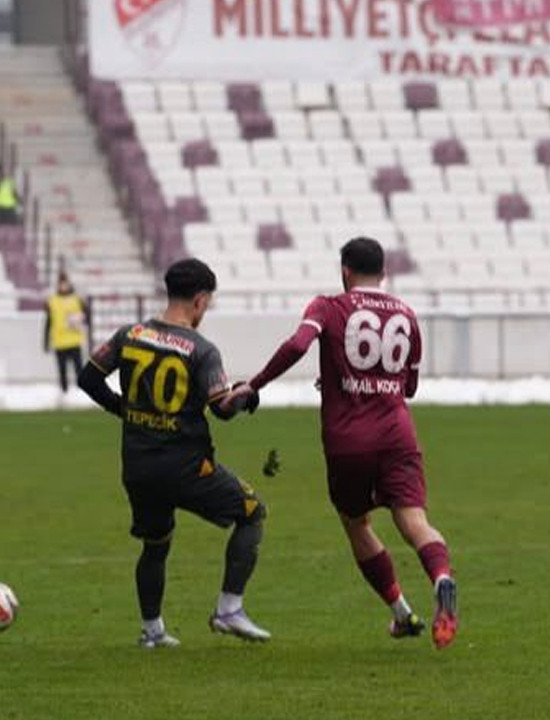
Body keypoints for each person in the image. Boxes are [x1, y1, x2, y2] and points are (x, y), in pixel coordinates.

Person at [224, 237, 458, 649]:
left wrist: (253, 384)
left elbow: (298, 344)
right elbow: (411, 386)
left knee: (356, 523)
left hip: (349, 439)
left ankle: (401, 612)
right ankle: (441, 578)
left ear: (345, 270)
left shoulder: (329, 306)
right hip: (397, 433)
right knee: (414, 520)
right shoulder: (406, 314)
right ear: (383, 273)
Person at [78, 258, 269, 648]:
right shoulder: (201, 349)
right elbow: (221, 408)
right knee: (251, 512)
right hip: (186, 468)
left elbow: (88, 377)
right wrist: (246, 397)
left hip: (138, 466)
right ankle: (229, 610)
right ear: (199, 300)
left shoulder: (129, 334)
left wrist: (126, 411)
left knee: (156, 543)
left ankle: (152, 632)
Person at [44, 273, 86, 393]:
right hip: (60, 341)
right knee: (62, 370)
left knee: (79, 369)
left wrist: (79, 319)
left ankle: (82, 392)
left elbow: (86, 315)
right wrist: (46, 341)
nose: (63, 286)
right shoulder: (52, 301)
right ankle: (64, 392)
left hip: (74, 340)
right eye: (61, 284)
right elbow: (48, 322)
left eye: (65, 283)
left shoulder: (77, 299)